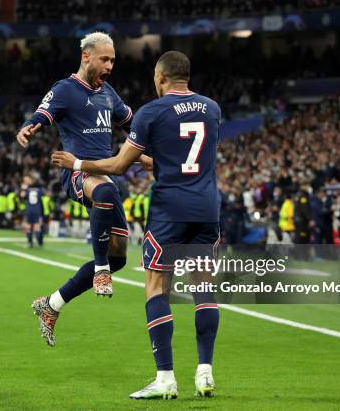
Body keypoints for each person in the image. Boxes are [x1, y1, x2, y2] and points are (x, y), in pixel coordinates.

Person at [52, 51, 221, 399]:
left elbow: (116, 167)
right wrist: (157, 162)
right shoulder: (212, 108)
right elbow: (187, 157)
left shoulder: (151, 112)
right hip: (206, 207)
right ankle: (205, 371)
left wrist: (77, 161)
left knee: (157, 287)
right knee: (203, 285)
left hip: (169, 210)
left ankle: (165, 378)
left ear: (160, 77)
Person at [16, 32, 151, 347]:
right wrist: (30, 126)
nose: (109, 66)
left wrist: (144, 155)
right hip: (76, 172)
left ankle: (51, 305)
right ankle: (100, 269)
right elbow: (42, 114)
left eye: (113, 60)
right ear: (86, 56)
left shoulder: (108, 94)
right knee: (104, 197)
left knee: (119, 256)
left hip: (103, 176)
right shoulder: (65, 89)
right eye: (105, 59)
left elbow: (130, 125)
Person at [20, 175, 44, 248]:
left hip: (29, 210)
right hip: (37, 210)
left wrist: (23, 189)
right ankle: (39, 242)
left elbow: (22, 196)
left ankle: (30, 243)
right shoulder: (39, 189)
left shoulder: (26, 189)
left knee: (28, 226)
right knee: (37, 226)